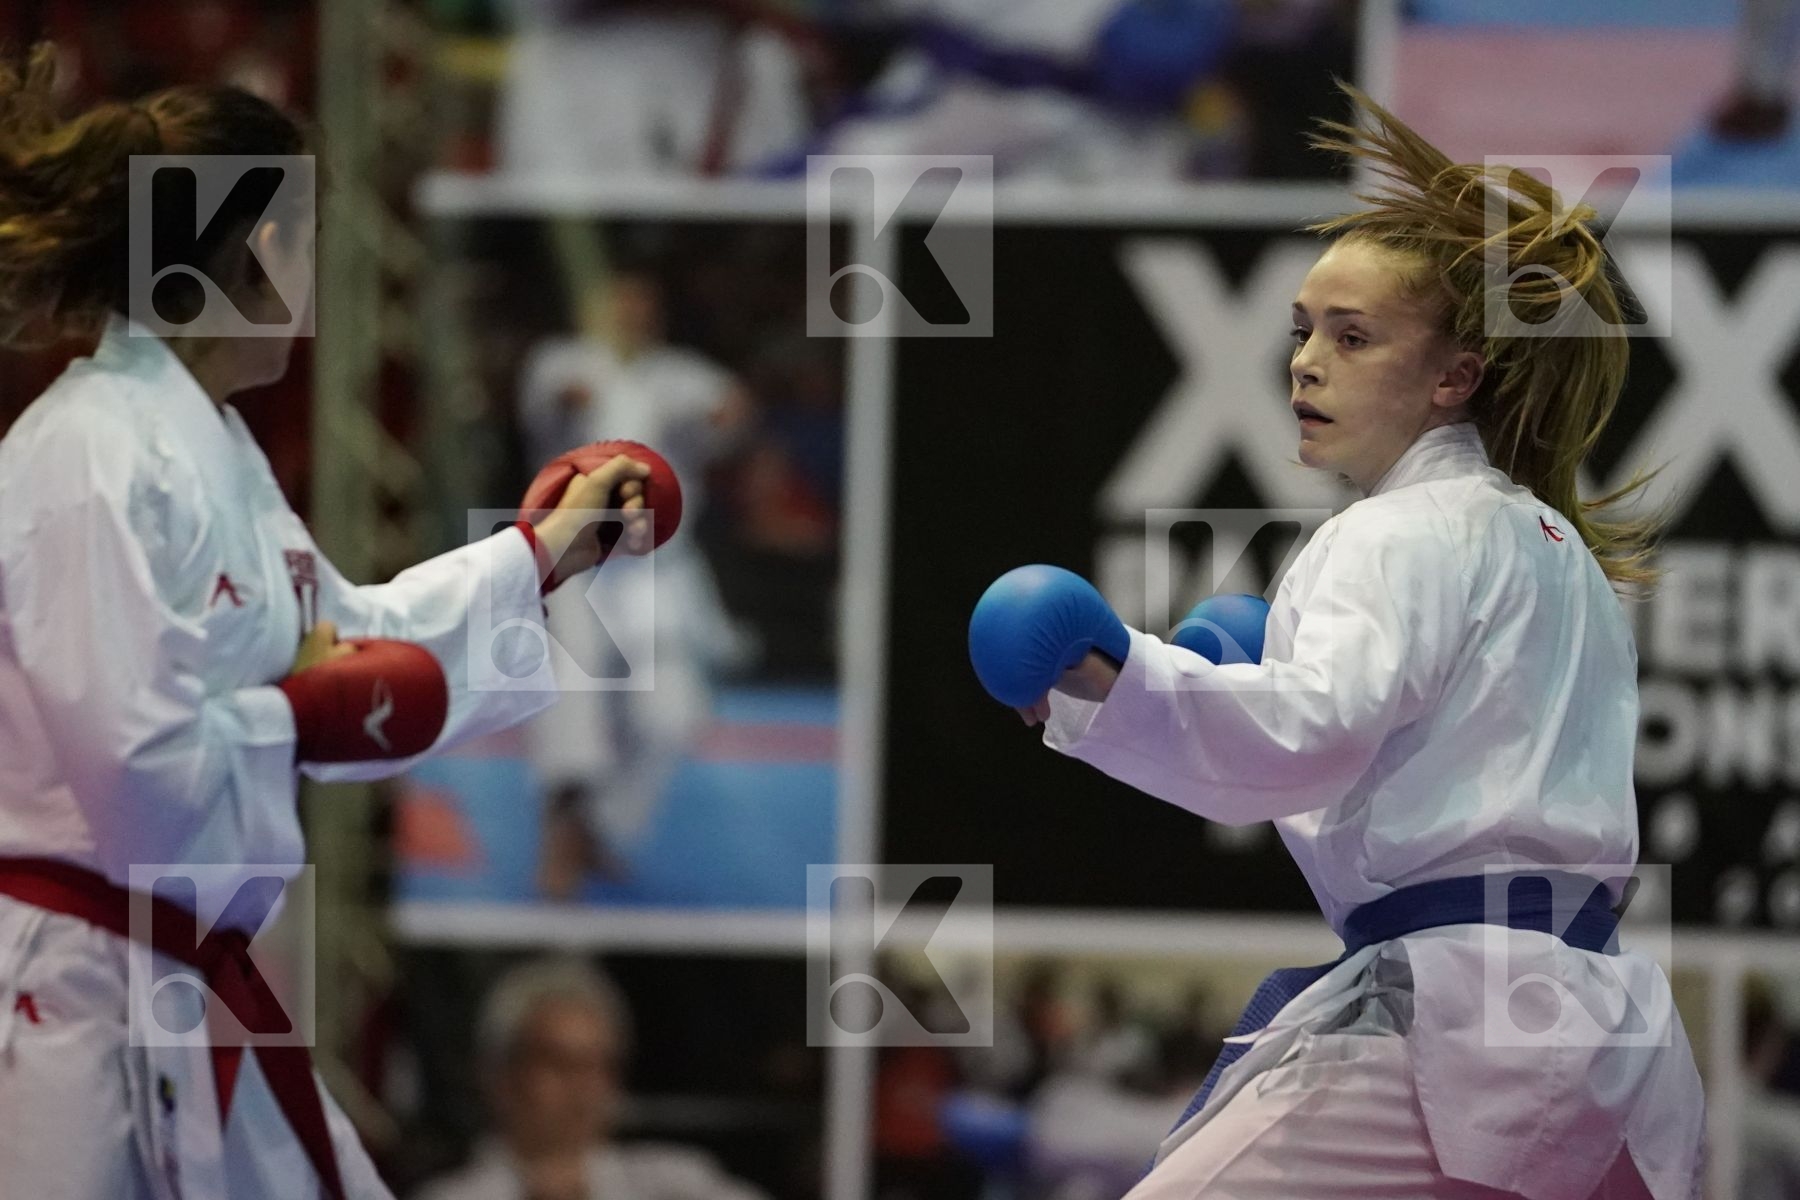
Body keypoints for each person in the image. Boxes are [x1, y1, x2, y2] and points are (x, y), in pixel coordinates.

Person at [969, 86, 1703, 1198]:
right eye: (1302, 330)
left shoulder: (1397, 530)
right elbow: (1413, 776)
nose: (1307, 361)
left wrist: (1107, 678)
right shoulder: (1562, 552)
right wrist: (1225, 683)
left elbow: (1308, 740)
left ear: (1455, 377)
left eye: (1353, 337)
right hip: (1604, 1036)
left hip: (1458, 1030)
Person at [0, 46, 658, 1200]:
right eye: (308, 234)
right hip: (68, 999)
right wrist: (298, 716)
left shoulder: (213, 449)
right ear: (258, 247)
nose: (318, 273)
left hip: (174, 977)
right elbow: (138, 770)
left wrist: (540, 553)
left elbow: (351, 646)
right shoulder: (90, 455)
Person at [517, 271, 753, 898]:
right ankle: (563, 831)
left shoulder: (679, 376)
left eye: (639, 307)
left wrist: (725, 413)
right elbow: (552, 401)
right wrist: (577, 401)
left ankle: (601, 826)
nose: (628, 316)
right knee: (572, 706)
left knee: (670, 716)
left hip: (655, 573)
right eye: (617, 305)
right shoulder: (563, 362)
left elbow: (731, 411)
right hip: (574, 566)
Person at [416, 957, 769, 1200]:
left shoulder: (677, 1183)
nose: (583, 1086)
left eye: (598, 1066)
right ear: (501, 1076)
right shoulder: (451, 1196)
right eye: (560, 1063)